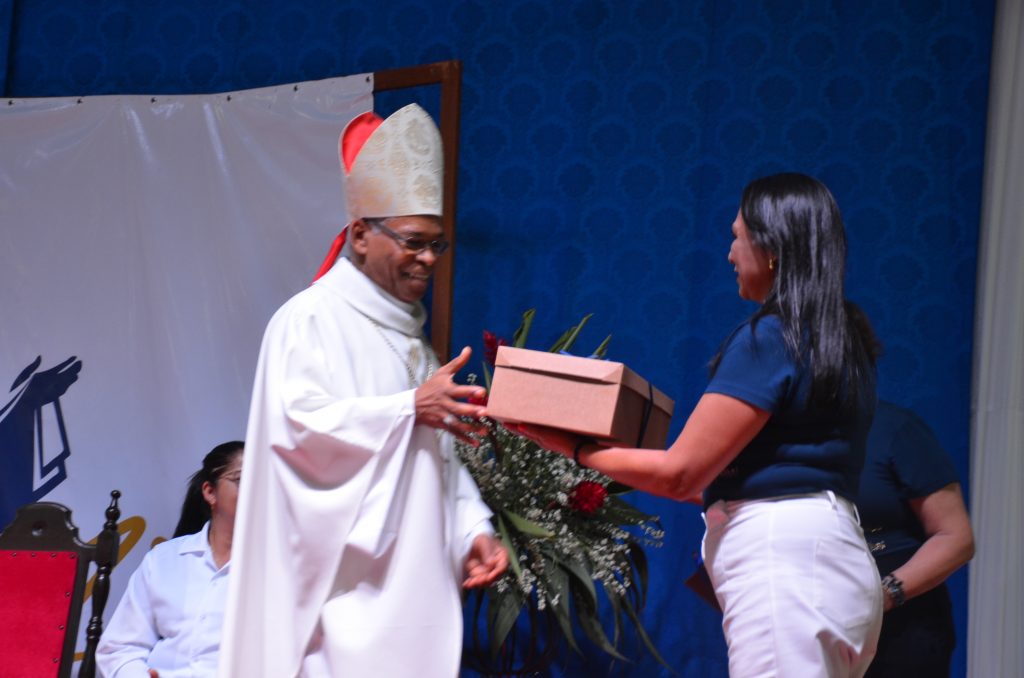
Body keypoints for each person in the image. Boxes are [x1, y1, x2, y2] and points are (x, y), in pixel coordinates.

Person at [516, 173, 884, 677]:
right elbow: (724, 477)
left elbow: (681, 474)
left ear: (771, 247)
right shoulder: (843, 340)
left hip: (787, 566)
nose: (730, 253)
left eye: (737, 236)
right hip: (836, 557)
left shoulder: (770, 337)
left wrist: (571, 447)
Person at [218, 103, 508, 678]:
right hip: (337, 598)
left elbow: (439, 462)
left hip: (411, 589)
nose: (428, 258)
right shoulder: (308, 320)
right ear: (359, 235)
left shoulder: (414, 343)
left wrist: (474, 528)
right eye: (412, 241)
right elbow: (297, 434)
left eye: (437, 244)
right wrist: (406, 408)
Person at [96, 440, 245, 678]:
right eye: (241, 480)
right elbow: (119, 647)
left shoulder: (279, 565)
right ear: (209, 491)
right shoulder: (164, 560)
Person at [857, 400, 975, 677]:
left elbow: (956, 538)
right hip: (812, 622)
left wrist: (883, 597)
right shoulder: (778, 434)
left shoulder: (894, 428)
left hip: (903, 625)